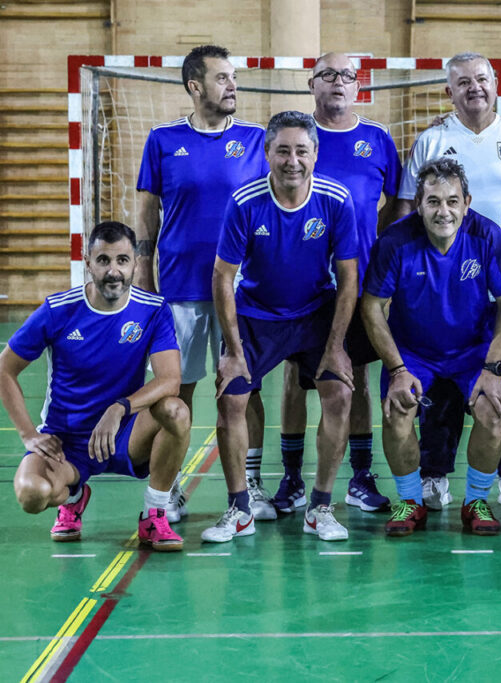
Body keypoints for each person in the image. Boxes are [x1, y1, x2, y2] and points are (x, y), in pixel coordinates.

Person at [396, 52, 501, 512]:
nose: (474, 87)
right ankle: (435, 474)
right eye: (463, 82)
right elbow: (405, 211)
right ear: (449, 92)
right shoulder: (432, 139)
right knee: (441, 386)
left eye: (481, 79)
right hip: (444, 284)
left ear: (497, 83)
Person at [203, 111, 359, 543]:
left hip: (314, 312)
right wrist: (234, 352)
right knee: (232, 397)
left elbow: (348, 277)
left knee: (340, 391)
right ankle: (239, 508)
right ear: (268, 153)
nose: (293, 160)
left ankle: (321, 506)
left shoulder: (336, 199)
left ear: (316, 154)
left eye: (302, 151)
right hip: (257, 314)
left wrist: (336, 346)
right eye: (283, 150)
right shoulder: (245, 202)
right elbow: (222, 277)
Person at [136, 44, 268, 522]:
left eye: (234, 77)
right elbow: (147, 214)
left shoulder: (257, 141)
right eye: (222, 78)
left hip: (242, 290)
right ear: (195, 86)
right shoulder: (163, 139)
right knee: (177, 395)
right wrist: (144, 277)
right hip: (179, 289)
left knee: (244, 390)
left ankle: (250, 484)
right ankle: (165, 489)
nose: (233, 85)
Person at [1, 222, 191, 551]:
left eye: (122, 260)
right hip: (67, 441)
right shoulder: (58, 310)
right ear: (87, 261)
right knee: (31, 494)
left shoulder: (153, 310)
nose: (113, 270)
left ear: (135, 263)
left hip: (126, 433)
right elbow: (5, 369)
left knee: (175, 409)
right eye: (103, 260)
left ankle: (155, 513)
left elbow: (170, 379)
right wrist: (29, 434)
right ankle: (73, 494)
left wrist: (120, 408)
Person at [268, 52, 402, 516]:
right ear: (312, 85)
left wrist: (364, 242)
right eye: (328, 75)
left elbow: (398, 206)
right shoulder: (295, 138)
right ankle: (290, 480)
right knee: (294, 379)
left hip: (358, 282)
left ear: (358, 86)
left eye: (347, 75)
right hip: (299, 285)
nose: (338, 83)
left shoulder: (378, 139)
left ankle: (361, 477)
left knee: (356, 376)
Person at [363, 158, 501, 536]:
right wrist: (397, 370)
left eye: (452, 201)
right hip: (414, 353)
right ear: (419, 203)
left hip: (472, 352)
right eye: (433, 201)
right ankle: (410, 502)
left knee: (493, 410)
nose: (443, 211)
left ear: (466, 201)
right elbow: (371, 307)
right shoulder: (395, 241)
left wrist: (494, 368)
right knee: (397, 411)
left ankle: (477, 501)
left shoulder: (487, 235)